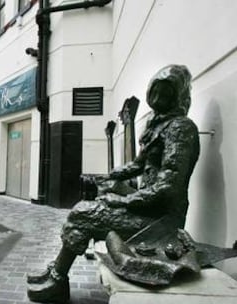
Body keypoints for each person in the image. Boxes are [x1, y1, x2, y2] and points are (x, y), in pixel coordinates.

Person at [27, 65, 200, 303]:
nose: (158, 99)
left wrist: (123, 200)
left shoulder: (181, 128)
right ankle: (56, 272)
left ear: (178, 95)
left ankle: (57, 279)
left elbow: (168, 188)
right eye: (155, 92)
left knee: (83, 213)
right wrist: (109, 177)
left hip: (159, 220)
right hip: (148, 207)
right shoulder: (161, 125)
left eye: (166, 93)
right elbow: (138, 165)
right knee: (91, 205)